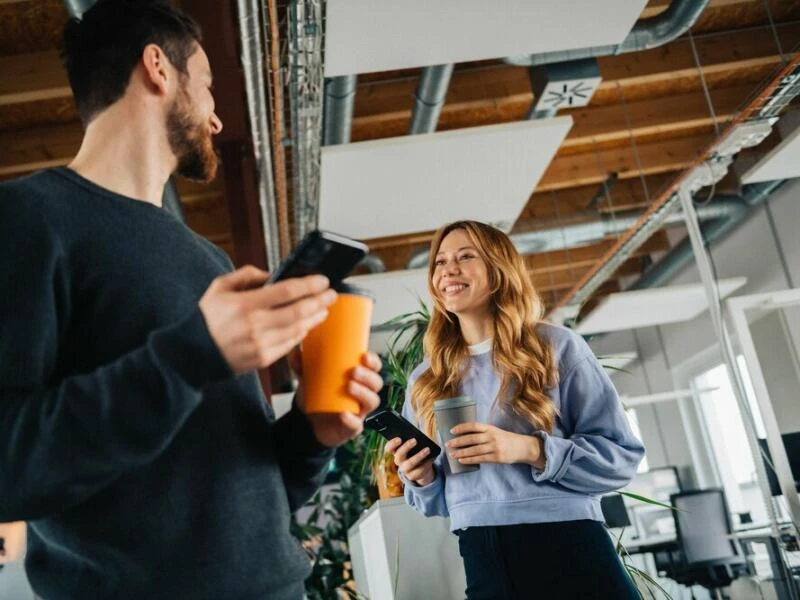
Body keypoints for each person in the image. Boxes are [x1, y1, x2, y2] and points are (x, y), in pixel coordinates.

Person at [0, 1, 382, 598]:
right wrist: (190, 353)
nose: (217, 118)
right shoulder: (26, 221)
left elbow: (251, 498)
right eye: (206, 86)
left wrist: (313, 432)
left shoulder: (210, 263)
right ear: (158, 67)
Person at [386, 220, 646, 599]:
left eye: (465, 256)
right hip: (483, 556)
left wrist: (527, 449)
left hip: (571, 545)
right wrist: (422, 478)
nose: (448, 270)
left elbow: (622, 459)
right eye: (439, 263)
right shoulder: (427, 378)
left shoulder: (557, 347)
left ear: (498, 270)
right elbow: (437, 503)